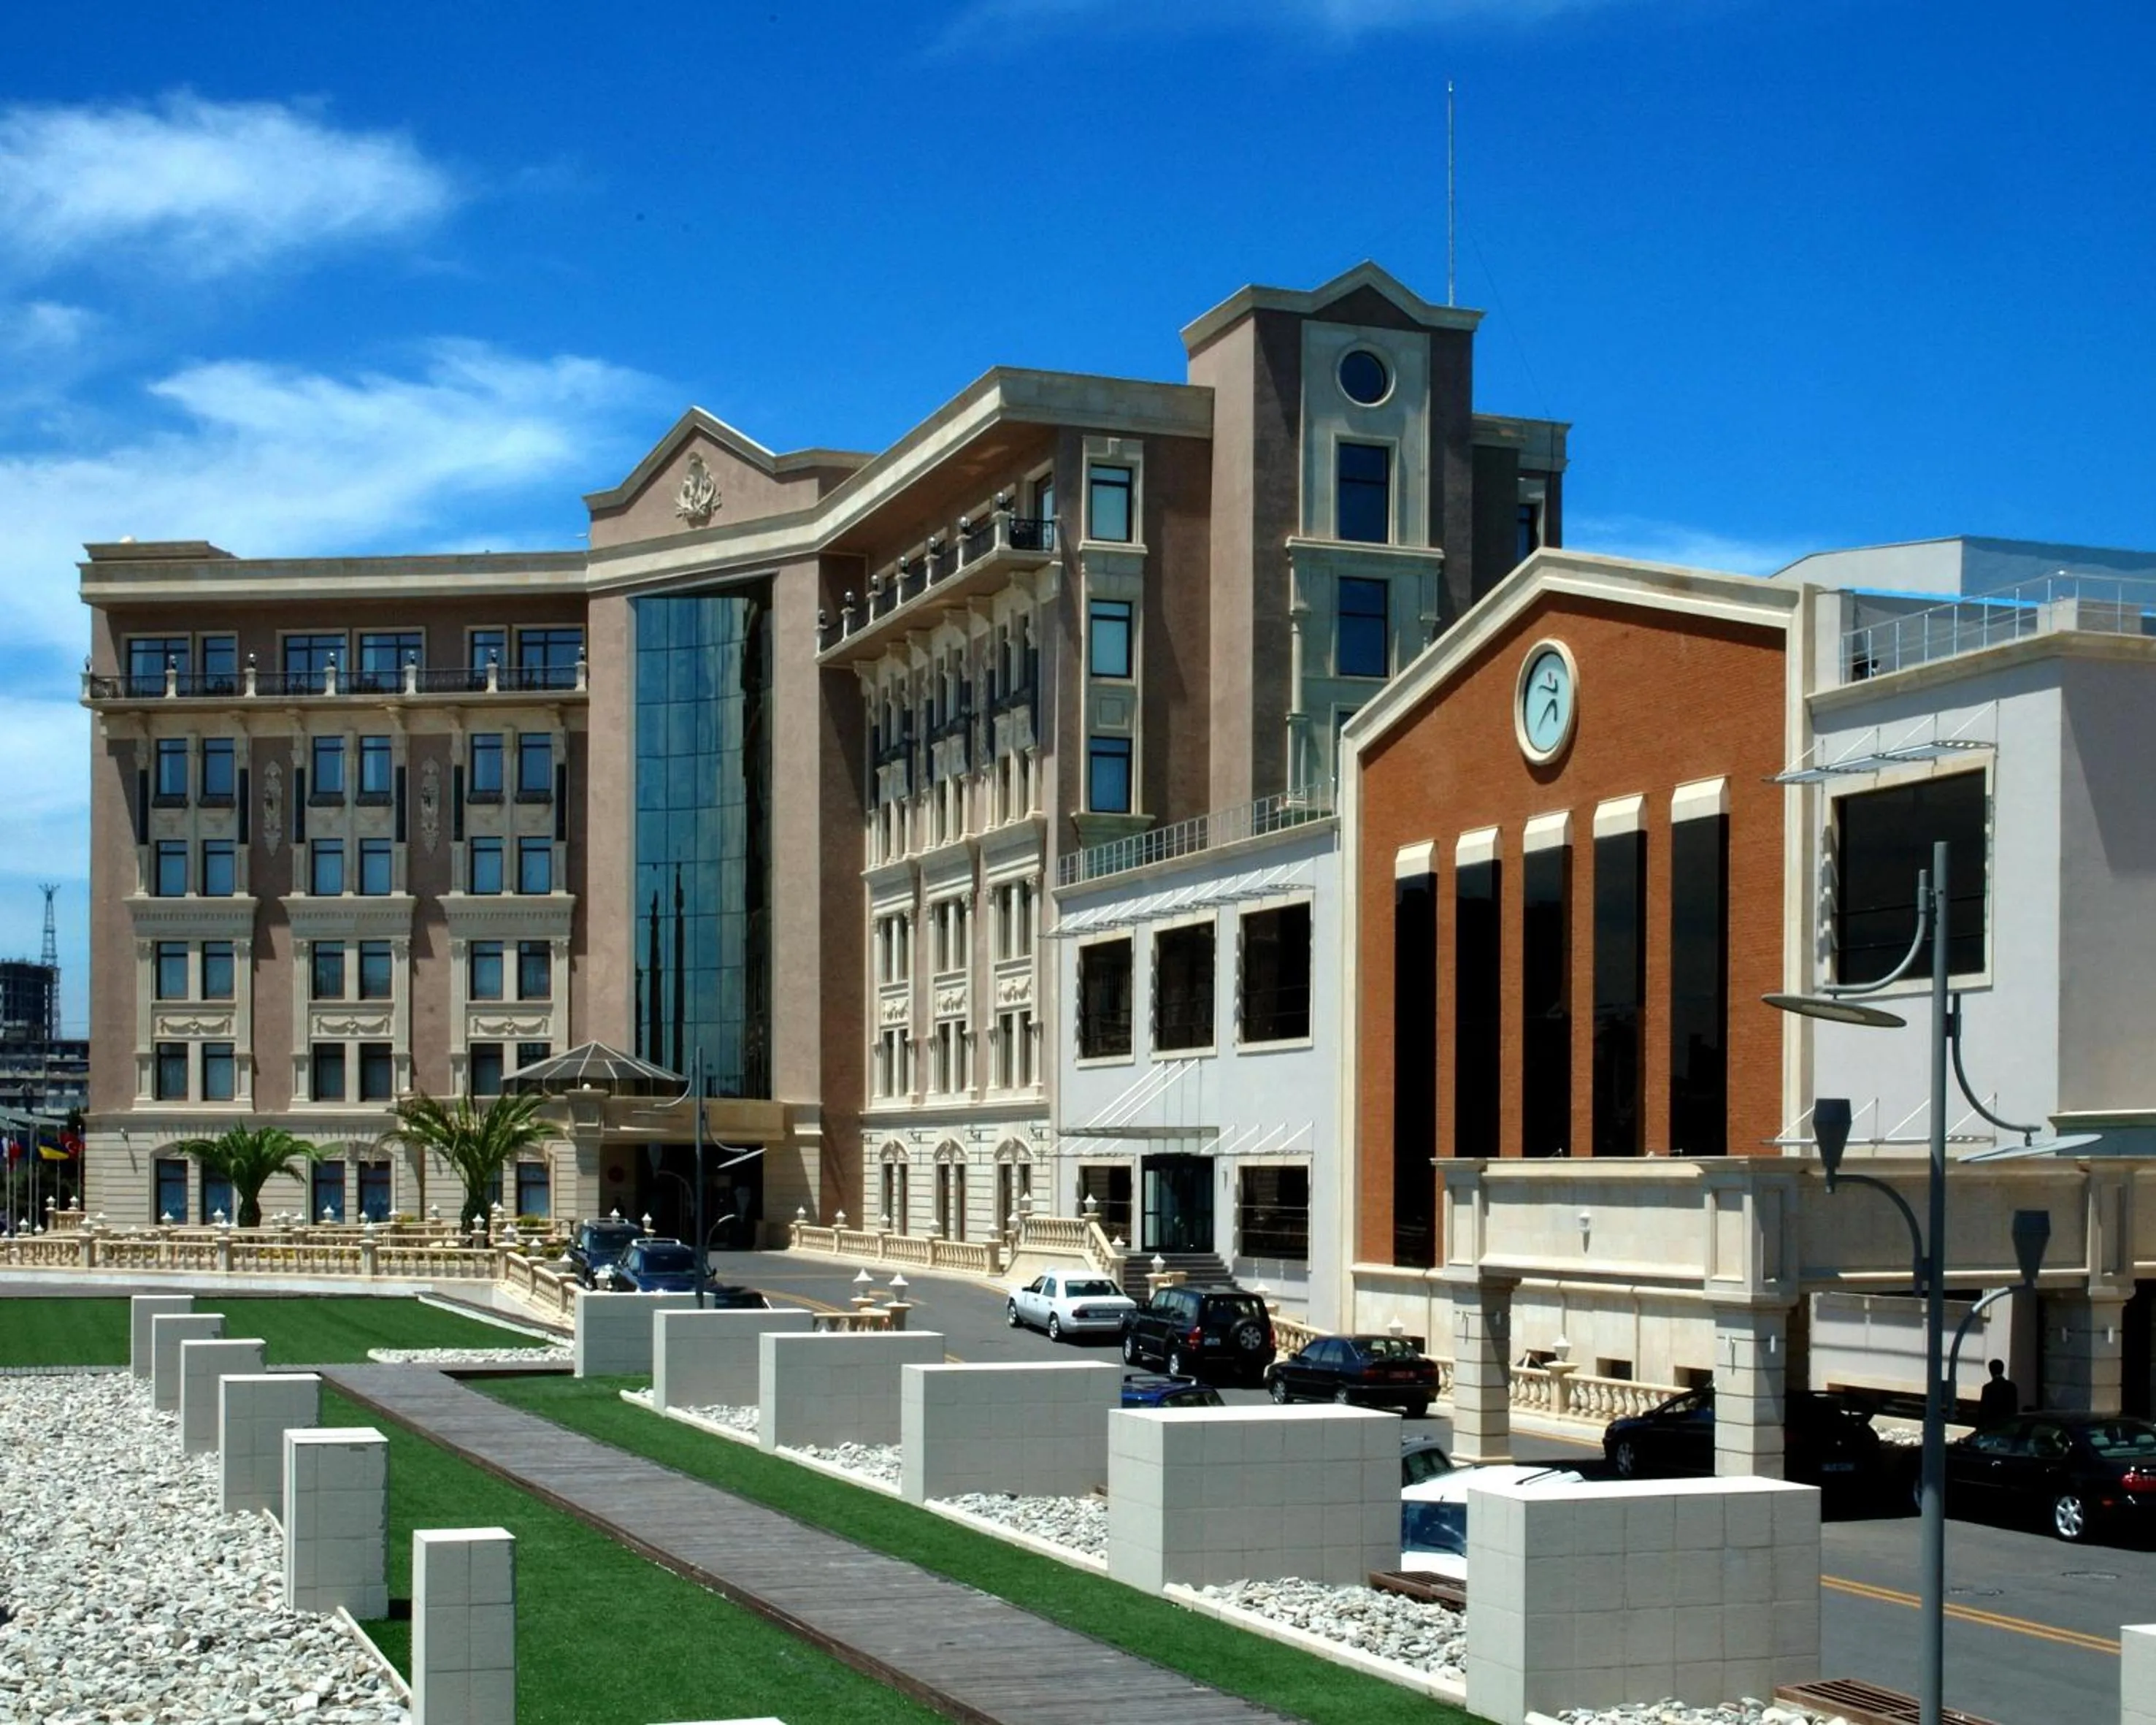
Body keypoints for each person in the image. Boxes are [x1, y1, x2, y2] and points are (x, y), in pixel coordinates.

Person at [1978, 1358, 2019, 1426]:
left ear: (1990, 1371)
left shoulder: (1987, 1388)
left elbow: (1984, 1411)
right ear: (2002, 1370)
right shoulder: (2011, 1386)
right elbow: (2014, 1408)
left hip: (1992, 1425)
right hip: (2007, 1425)